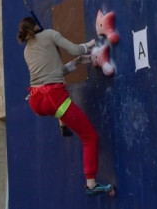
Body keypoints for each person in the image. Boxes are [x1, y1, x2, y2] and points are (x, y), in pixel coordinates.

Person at [17, 16, 115, 196]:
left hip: (37, 102)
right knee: (89, 137)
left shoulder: (26, 52)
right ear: (37, 25)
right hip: (54, 98)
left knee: (60, 107)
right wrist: (90, 44)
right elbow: (76, 49)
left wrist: (76, 64)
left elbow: (55, 72)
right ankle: (91, 184)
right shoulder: (49, 34)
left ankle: (63, 124)